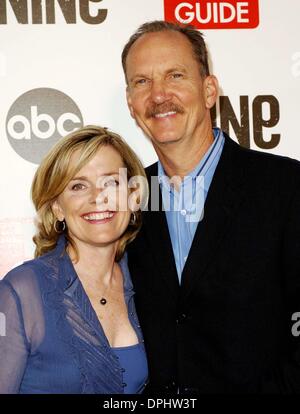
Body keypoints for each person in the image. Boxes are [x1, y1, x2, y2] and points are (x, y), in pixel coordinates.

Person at [122, 21, 300, 393]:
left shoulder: (286, 187)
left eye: (175, 75)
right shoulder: (125, 200)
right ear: (130, 103)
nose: (159, 95)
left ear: (208, 91)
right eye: (142, 82)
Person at [0, 126, 148, 394]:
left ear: (133, 196)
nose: (97, 198)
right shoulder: (22, 291)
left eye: (111, 182)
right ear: (57, 207)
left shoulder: (149, 283)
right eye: (78, 186)